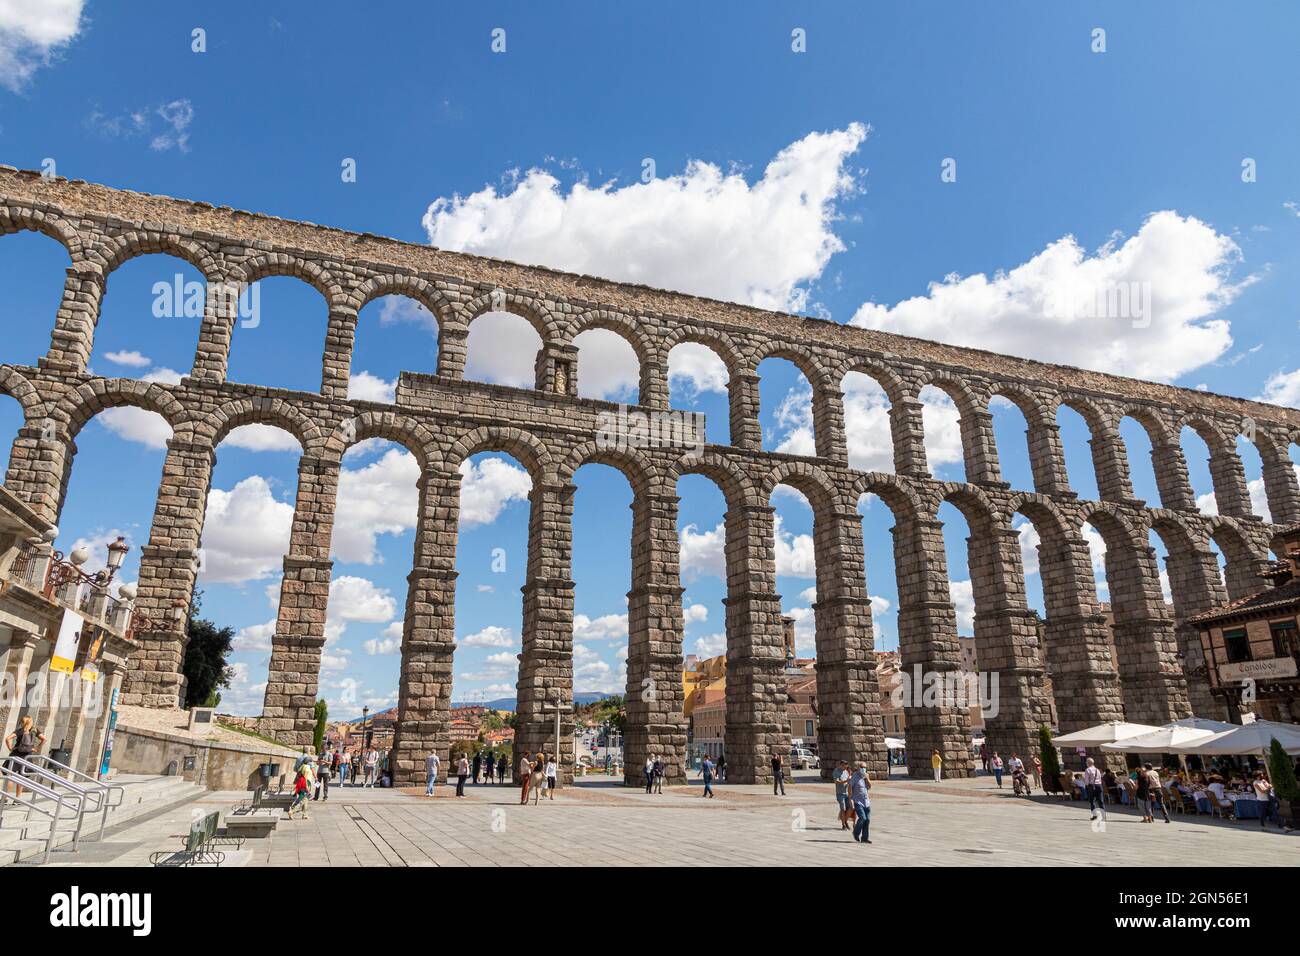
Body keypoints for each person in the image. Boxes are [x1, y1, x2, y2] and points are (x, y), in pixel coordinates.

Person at [2, 716, 45, 799]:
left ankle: (5, 798)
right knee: (22, 777)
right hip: (27, 756)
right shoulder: (35, 730)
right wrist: (36, 748)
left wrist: (10, 748)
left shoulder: (20, 731)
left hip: (15, 755)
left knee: (10, 776)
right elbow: (44, 739)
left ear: (22, 722)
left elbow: (8, 739)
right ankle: (17, 799)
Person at [850, 762, 871, 844]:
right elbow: (850, 786)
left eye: (865, 767)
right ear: (859, 767)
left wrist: (866, 778)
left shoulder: (866, 775)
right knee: (863, 818)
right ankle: (856, 833)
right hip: (858, 801)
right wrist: (850, 799)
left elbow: (869, 786)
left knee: (867, 820)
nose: (863, 769)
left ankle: (865, 838)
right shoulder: (855, 776)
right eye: (862, 767)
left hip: (866, 801)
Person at [834, 760, 852, 830]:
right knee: (843, 809)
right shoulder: (836, 771)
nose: (845, 768)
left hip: (847, 793)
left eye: (846, 766)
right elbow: (837, 781)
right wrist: (846, 781)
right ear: (841, 765)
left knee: (851, 808)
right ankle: (843, 824)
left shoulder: (846, 771)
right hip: (840, 793)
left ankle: (845, 821)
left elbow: (848, 781)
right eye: (844, 766)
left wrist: (850, 780)